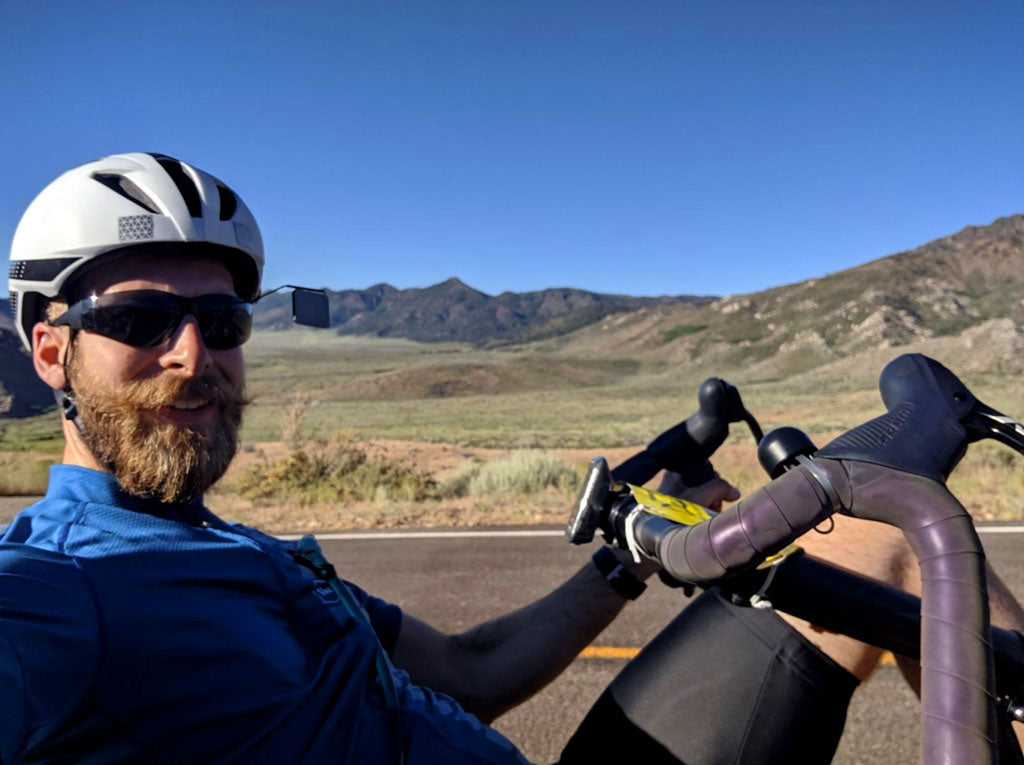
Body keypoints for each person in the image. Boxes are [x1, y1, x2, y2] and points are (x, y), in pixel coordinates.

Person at [1, 152, 740, 764]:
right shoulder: (63, 582)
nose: (194, 356)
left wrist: (633, 551)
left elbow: (469, 670)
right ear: (50, 352)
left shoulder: (249, 550)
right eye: (138, 320)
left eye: (223, 322)